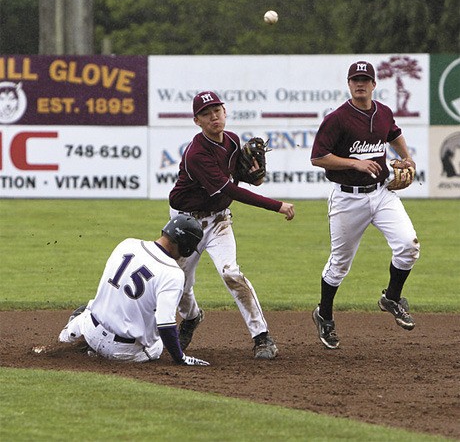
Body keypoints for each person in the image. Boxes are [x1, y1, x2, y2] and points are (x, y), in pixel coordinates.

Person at [169, 90, 295, 359]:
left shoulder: (233, 141)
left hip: (218, 221)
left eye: (217, 110)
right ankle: (191, 317)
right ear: (197, 121)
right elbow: (229, 189)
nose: (213, 116)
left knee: (231, 273)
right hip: (184, 224)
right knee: (178, 282)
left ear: (225, 112)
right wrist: (277, 205)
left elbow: (240, 176)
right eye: (206, 113)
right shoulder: (196, 154)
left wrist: (254, 178)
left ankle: (261, 336)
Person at [310, 61, 420, 349]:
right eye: (355, 79)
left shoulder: (382, 112)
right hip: (347, 198)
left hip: (381, 193)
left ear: (373, 84)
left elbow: (393, 133)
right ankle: (325, 314)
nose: (360, 84)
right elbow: (318, 157)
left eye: (365, 79)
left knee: (409, 245)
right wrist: (353, 164)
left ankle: (392, 298)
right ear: (348, 84)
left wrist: (406, 157)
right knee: (339, 265)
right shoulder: (338, 118)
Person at [58, 214, 210, 366]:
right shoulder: (173, 274)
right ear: (186, 246)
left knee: (89, 309)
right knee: (156, 343)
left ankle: (68, 339)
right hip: (121, 351)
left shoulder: (127, 244)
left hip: (90, 330)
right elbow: (165, 324)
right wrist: (180, 358)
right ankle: (96, 353)